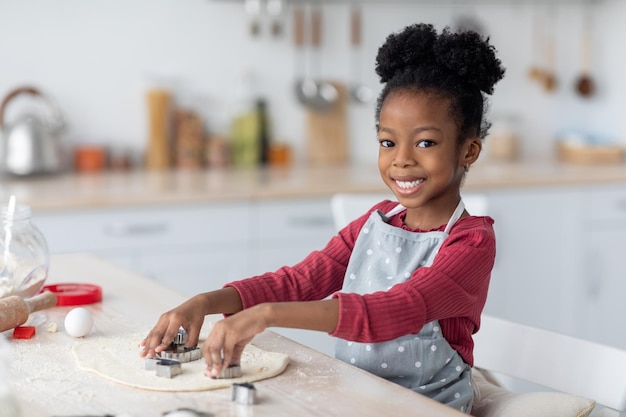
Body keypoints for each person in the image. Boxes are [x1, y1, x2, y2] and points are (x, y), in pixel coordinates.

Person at [141, 22, 505, 413]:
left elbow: (396, 310)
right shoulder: (375, 222)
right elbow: (299, 281)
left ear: (469, 150)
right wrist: (205, 301)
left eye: (425, 142)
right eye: (388, 142)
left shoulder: (471, 243)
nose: (402, 158)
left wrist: (263, 317)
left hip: (427, 407)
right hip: (355, 396)